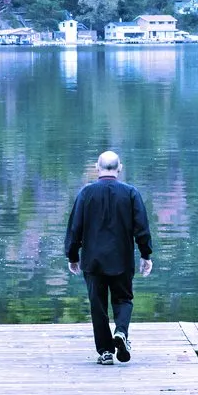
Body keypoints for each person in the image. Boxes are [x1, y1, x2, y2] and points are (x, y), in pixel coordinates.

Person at [65, 150, 153, 365]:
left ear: (97, 167)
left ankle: (105, 352)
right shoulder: (130, 193)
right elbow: (141, 227)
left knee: (98, 306)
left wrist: (72, 255)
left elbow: (75, 228)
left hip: (93, 261)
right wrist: (146, 254)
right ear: (119, 168)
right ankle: (121, 332)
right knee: (123, 299)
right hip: (122, 259)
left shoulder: (86, 193)